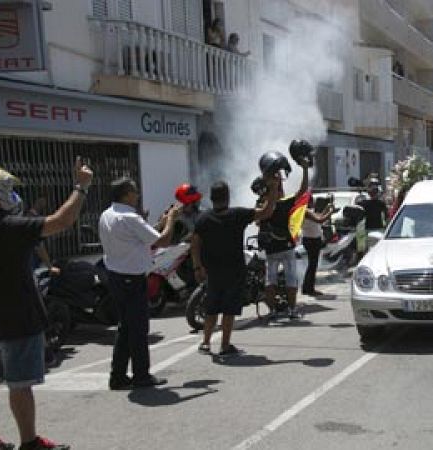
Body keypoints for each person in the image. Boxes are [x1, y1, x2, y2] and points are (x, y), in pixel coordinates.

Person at [0, 159, 91, 450]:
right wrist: (81, 187)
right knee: (20, 386)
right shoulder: (9, 227)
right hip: (17, 321)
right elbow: (61, 221)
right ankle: (29, 442)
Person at [99, 178, 182, 390]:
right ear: (126, 194)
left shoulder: (108, 214)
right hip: (131, 279)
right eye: (134, 192)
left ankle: (117, 376)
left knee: (126, 328)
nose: (137, 195)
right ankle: (141, 375)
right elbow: (163, 241)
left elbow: (140, 238)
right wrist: (171, 219)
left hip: (116, 276)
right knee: (137, 329)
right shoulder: (129, 217)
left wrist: (159, 223)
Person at [192, 180, 278, 355]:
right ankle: (225, 345)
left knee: (211, 308)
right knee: (229, 310)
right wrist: (273, 190)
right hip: (234, 271)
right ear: (228, 197)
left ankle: (206, 343)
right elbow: (267, 211)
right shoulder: (238, 214)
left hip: (213, 272)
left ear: (211, 197)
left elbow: (195, 244)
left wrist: (197, 267)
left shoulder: (203, 218)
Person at [258, 152, 310, 320]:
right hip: (286, 246)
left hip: (271, 248)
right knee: (290, 280)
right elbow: (302, 190)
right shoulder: (283, 203)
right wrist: (305, 169)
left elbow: (257, 221)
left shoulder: (261, 205)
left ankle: (273, 311)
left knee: (270, 280)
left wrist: (268, 179)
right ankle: (292, 310)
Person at [301, 200, 335, 296]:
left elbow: (319, 217)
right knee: (312, 265)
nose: (313, 202)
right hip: (312, 241)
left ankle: (306, 288)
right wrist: (330, 212)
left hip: (312, 240)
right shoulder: (305, 212)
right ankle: (310, 289)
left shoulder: (308, 211)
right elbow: (320, 220)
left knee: (312, 265)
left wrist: (326, 209)